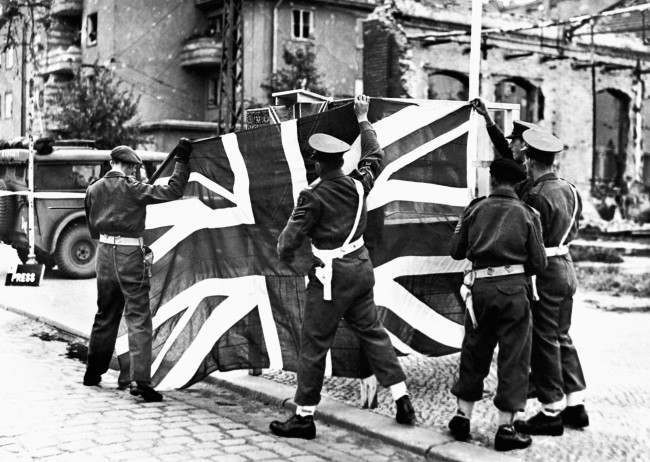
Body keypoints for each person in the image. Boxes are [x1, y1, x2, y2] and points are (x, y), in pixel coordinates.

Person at [270, 95, 416, 440]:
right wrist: (363, 119)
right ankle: (402, 396)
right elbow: (374, 155)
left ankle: (304, 416)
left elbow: (284, 245)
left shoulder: (312, 196)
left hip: (330, 279)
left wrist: (304, 264)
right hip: (361, 269)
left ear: (319, 162)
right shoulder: (358, 183)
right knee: (373, 333)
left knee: (314, 344)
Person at [448, 157, 547, 451]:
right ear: (518, 183)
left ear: (492, 179)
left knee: (474, 352)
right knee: (514, 358)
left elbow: (456, 251)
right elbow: (539, 263)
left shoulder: (475, 209)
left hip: (479, 290)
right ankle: (505, 428)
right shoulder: (528, 213)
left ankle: (462, 417)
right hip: (514, 291)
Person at [83, 141, 191, 402]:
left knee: (105, 313)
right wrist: (182, 161)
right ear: (131, 168)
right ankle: (140, 382)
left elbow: (92, 227)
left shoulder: (93, 189)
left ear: (111, 164)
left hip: (105, 255)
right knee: (139, 318)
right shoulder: (134, 187)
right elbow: (174, 190)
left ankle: (93, 372)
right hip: (130, 257)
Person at [515, 129, 589, 435]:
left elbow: (528, 237)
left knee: (544, 340)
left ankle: (551, 410)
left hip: (544, 270)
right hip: (566, 266)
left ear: (531, 160)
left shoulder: (534, 195)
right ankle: (576, 405)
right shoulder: (571, 189)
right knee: (561, 335)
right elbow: (576, 225)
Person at [471, 98, 537, 196]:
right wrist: (486, 114)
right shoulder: (517, 159)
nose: (510, 145)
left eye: (514, 141)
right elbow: (500, 142)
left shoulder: (533, 170)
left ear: (525, 144)